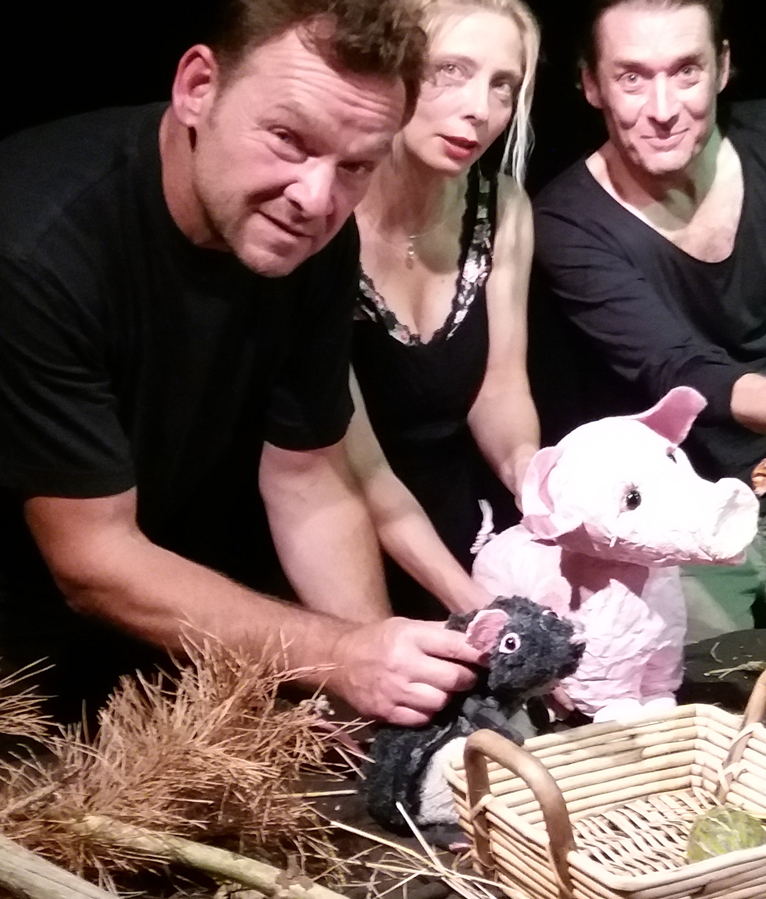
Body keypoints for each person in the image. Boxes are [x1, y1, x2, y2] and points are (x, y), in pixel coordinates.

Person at [0, 0, 484, 725]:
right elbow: (92, 559)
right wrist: (339, 657)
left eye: (356, 165)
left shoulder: (316, 241)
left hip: (155, 627)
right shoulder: (36, 247)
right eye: (289, 138)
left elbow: (307, 479)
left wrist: (378, 684)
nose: (316, 198)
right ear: (198, 87)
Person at [533, 0, 766, 642]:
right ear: (591, 84)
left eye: (686, 71)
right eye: (632, 77)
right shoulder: (566, 220)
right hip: (670, 525)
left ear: (722, 67)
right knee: (706, 693)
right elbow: (681, 370)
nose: (662, 108)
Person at [346, 0, 541, 619]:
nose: (480, 108)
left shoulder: (502, 205)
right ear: (394, 67)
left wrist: (535, 479)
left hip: (459, 527)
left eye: (503, 85)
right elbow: (357, 469)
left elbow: (500, 386)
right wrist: (473, 608)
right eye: (450, 71)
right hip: (340, 544)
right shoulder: (326, 209)